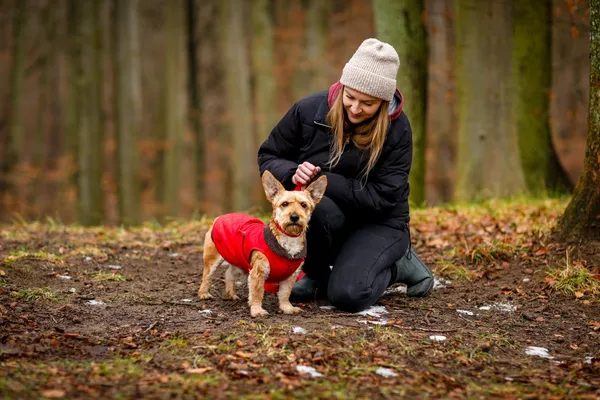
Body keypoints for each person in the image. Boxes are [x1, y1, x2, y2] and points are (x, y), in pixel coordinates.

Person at [257, 38, 433, 313]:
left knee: (349, 295)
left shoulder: (398, 130)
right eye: (350, 97)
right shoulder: (309, 110)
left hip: (379, 222)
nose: (354, 108)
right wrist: (293, 172)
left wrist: (326, 179)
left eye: (368, 103)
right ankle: (316, 272)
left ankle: (397, 264)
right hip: (333, 216)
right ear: (341, 87)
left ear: (384, 101)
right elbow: (269, 155)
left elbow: (384, 197)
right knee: (318, 209)